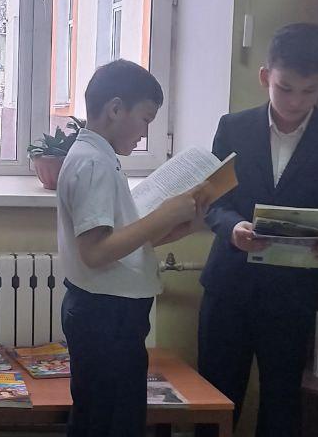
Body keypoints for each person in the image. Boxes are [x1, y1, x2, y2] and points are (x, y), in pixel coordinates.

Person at [197, 23, 318, 437]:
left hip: (292, 296)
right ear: (265, 77)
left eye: (309, 91)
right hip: (229, 288)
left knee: (282, 404)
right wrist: (233, 227)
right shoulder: (233, 128)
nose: (295, 101)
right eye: (285, 88)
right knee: (216, 401)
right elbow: (213, 202)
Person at [56, 59, 202, 437]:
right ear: (116, 109)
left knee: (108, 418)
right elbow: (96, 252)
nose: (145, 133)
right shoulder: (93, 164)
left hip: (110, 313)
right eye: (145, 119)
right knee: (109, 422)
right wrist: (163, 214)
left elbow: (122, 241)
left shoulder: (101, 158)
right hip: (106, 315)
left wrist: (179, 226)